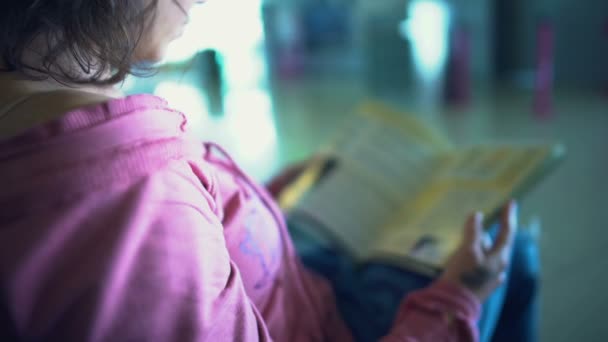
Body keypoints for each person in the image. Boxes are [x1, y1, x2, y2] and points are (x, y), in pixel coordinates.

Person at [0, 1, 538, 341]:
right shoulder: (138, 207)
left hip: (299, 279)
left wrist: (258, 196)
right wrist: (454, 300)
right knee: (504, 246)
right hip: (338, 323)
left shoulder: (55, 126)